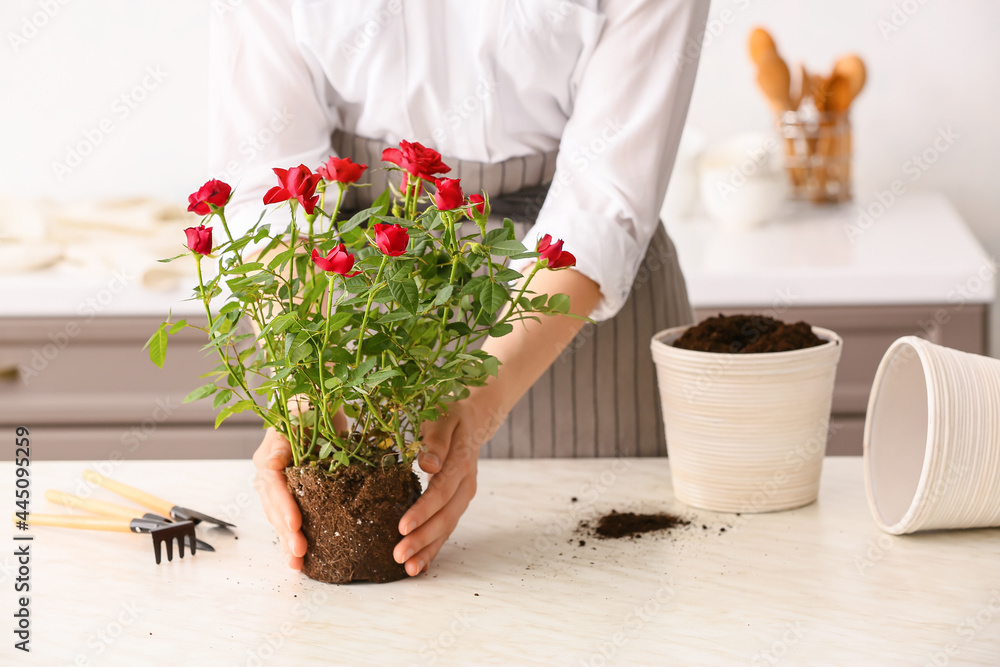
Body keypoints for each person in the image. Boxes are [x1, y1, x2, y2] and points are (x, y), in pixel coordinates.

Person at [210, 0, 709, 577]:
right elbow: (267, 185)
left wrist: (478, 402)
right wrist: (310, 395)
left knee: (596, 588)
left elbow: (604, 203)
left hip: (577, 314)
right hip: (356, 296)